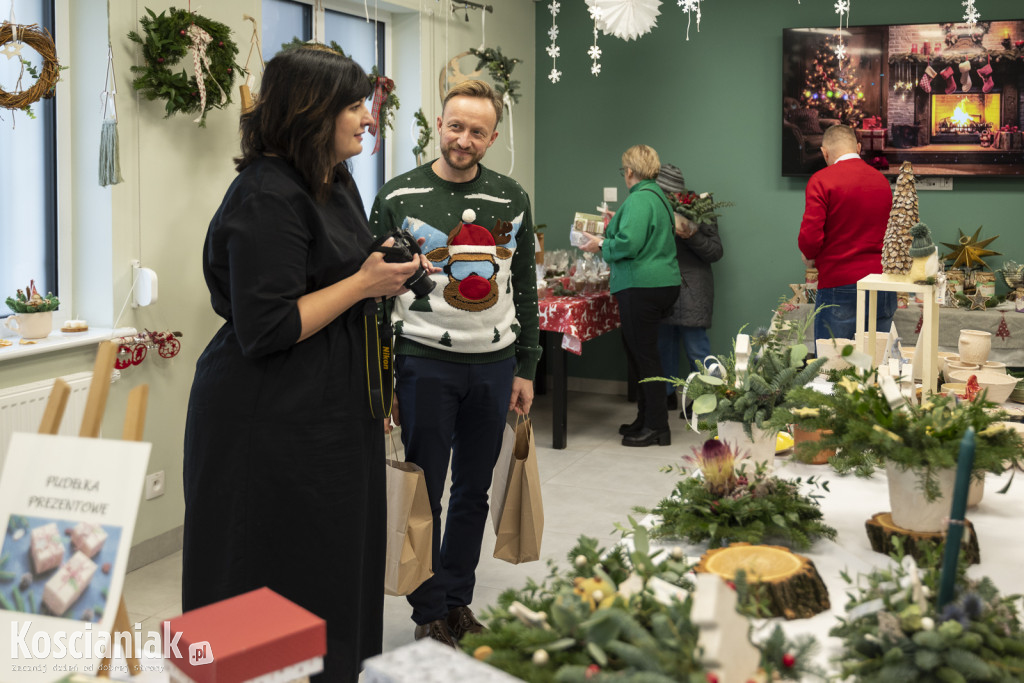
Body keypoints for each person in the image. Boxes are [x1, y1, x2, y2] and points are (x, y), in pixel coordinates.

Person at [182, 47, 430, 682]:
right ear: (312, 112)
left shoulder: (331, 178)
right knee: (266, 573)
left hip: (330, 409)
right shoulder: (265, 195)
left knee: (333, 570)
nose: (368, 119)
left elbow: (341, 266)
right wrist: (363, 284)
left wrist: (391, 267)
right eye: (354, 106)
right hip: (266, 420)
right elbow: (267, 327)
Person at [369, 79, 541, 648]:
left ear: (492, 138)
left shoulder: (512, 198)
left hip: (493, 365)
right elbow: (374, 297)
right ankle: (429, 611)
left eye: (476, 131)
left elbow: (524, 287)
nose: (462, 138)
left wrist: (526, 366)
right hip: (423, 363)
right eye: (454, 126)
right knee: (425, 488)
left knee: (473, 490)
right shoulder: (398, 197)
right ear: (439, 125)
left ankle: (458, 599)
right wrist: (385, 375)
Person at [579, 145, 681, 447]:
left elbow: (629, 244)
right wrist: (615, 225)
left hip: (642, 285)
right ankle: (646, 418)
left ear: (629, 171)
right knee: (641, 355)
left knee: (645, 358)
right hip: (663, 283)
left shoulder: (639, 199)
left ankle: (658, 427)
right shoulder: (658, 197)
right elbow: (642, 234)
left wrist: (599, 244)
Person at [798, 124, 896, 342]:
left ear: (824, 152)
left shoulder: (822, 180)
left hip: (839, 285)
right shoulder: (882, 182)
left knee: (834, 367)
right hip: (882, 284)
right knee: (876, 366)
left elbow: (810, 238)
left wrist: (809, 255)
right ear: (858, 147)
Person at [653, 164, 723, 413]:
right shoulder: (652, 209)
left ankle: (707, 398)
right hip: (662, 285)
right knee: (663, 345)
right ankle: (666, 395)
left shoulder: (699, 208)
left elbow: (715, 251)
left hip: (693, 290)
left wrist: (690, 233)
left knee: (697, 348)